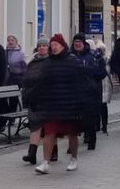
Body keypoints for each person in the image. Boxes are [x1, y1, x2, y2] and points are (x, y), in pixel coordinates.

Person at [31, 34, 85, 175]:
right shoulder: (48, 63)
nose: (53, 47)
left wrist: (80, 102)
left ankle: (74, 159)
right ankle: (45, 163)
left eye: (56, 45)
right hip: (52, 104)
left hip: (70, 103)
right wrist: (37, 98)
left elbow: (79, 83)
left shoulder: (72, 60)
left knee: (72, 133)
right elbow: (42, 83)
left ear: (62, 46)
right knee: (49, 132)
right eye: (52, 45)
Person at [70, 33, 106, 150]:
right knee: (73, 118)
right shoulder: (70, 56)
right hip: (73, 91)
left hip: (89, 90)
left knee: (89, 117)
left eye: (79, 42)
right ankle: (72, 144)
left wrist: (86, 71)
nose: (77, 44)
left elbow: (101, 73)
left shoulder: (93, 56)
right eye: (75, 42)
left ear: (84, 43)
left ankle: (91, 138)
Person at [21, 36, 51, 165]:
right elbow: (26, 78)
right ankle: (31, 154)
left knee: (49, 127)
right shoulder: (32, 62)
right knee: (35, 126)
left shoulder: (52, 61)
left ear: (48, 48)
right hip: (34, 98)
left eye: (44, 46)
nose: (42, 48)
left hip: (48, 99)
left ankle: (52, 152)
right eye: (40, 46)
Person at [6, 35, 28, 120]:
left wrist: (25, 79)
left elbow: (25, 67)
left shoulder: (21, 53)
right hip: (11, 76)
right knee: (12, 97)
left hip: (20, 76)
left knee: (19, 96)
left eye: (12, 40)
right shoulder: (6, 51)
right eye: (9, 40)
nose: (10, 42)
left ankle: (23, 115)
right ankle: (11, 117)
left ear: (16, 42)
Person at [95, 40, 113, 134]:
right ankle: (98, 125)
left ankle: (104, 125)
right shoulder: (96, 59)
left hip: (105, 84)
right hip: (99, 84)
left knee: (103, 105)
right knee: (99, 105)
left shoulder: (106, 59)